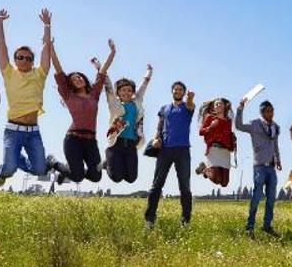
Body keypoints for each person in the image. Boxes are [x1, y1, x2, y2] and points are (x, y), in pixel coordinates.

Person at [0, 8, 52, 186]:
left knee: (40, 170)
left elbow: (46, 48)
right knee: (9, 169)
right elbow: (1, 45)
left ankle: (14, 156)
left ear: (32, 61)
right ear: (15, 59)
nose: (24, 60)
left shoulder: (40, 74)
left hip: (34, 132)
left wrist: (47, 25)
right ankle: (3, 169)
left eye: (28, 58)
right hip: (13, 130)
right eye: (20, 57)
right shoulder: (9, 72)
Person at [45, 39, 115, 184]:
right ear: (70, 84)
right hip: (73, 140)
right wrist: (52, 50)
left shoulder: (94, 94)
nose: (78, 79)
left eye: (79, 77)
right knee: (77, 177)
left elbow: (102, 72)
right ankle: (54, 163)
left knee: (96, 177)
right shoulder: (68, 94)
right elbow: (58, 69)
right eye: (74, 79)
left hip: (90, 141)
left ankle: (68, 170)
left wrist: (112, 52)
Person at [144, 81, 195, 229]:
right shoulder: (164, 108)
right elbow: (159, 126)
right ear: (172, 91)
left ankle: (185, 222)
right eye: (175, 89)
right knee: (156, 185)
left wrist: (190, 98)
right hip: (165, 149)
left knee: (184, 187)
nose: (177, 91)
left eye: (180, 90)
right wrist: (155, 138)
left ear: (183, 93)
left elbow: (191, 105)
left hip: (183, 150)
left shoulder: (187, 106)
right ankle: (149, 221)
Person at [92, 56, 152, 184]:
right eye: (123, 90)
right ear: (118, 92)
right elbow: (107, 85)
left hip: (131, 144)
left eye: (129, 90)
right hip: (115, 143)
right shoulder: (114, 104)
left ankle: (114, 164)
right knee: (116, 178)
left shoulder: (137, 102)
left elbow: (144, 85)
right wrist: (99, 66)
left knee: (131, 178)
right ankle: (106, 164)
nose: (127, 92)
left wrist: (149, 72)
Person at [236, 99, 281, 238]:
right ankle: (250, 226)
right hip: (259, 166)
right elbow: (239, 126)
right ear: (262, 112)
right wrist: (240, 109)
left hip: (271, 167)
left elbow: (275, 144)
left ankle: (266, 226)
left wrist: (278, 159)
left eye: (271, 111)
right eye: (267, 111)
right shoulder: (254, 124)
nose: (270, 113)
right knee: (256, 196)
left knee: (271, 198)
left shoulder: (275, 127)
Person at [195, 98, 235, 187]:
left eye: (220, 104)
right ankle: (204, 169)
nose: (218, 105)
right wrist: (210, 127)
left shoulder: (228, 121)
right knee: (217, 180)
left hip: (225, 151)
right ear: (213, 108)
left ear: (224, 106)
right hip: (214, 149)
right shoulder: (209, 117)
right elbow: (201, 132)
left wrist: (233, 141)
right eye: (216, 104)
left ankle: (206, 170)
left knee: (224, 183)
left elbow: (228, 134)